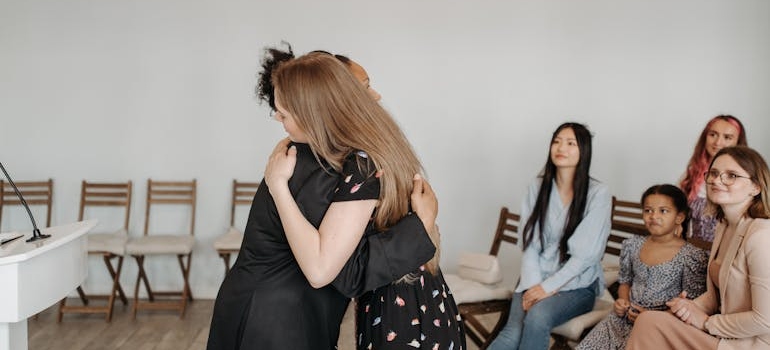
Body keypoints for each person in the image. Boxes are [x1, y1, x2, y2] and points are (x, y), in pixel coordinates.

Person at [206, 46, 438, 350]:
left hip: (269, 312)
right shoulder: (325, 163)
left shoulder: (323, 161)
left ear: (314, 114)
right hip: (274, 318)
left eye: (284, 113)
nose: (278, 118)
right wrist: (421, 224)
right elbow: (334, 270)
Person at [264, 52, 465, 349]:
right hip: (420, 298)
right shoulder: (371, 154)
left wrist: (278, 186)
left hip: (403, 308)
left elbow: (339, 271)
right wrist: (421, 224)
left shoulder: (362, 162)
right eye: (365, 86)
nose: (375, 95)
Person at [626, 146, 770, 350]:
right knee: (649, 321)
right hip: (722, 331)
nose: (717, 180)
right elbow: (715, 297)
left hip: (748, 344)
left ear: (755, 187)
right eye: (714, 173)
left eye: (731, 175)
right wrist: (686, 308)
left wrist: (705, 322)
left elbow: (765, 320)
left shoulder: (762, 236)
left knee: (648, 325)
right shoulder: (724, 225)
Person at [487, 122, 612, 350]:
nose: (561, 147)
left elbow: (584, 258)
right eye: (556, 141)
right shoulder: (537, 187)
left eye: (570, 143)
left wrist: (546, 289)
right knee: (512, 332)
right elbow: (530, 245)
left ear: (583, 150)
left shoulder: (597, 194)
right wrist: (535, 286)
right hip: (535, 277)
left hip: (578, 285)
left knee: (537, 317)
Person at [576, 184, 709, 350]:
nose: (653, 216)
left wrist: (650, 316)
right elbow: (625, 282)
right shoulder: (633, 245)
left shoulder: (692, 256)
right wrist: (622, 301)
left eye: (663, 211)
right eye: (648, 210)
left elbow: (692, 304)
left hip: (659, 326)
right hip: (623, 319)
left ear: (679, 217)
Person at [679, 115, 747, 243]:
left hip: (727, 250)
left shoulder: (744, 176)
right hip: (694, 246)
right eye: (713, 135)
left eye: (727, 137)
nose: (718, 142)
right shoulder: (692, 173)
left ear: (738, 142)